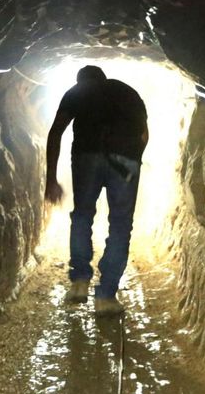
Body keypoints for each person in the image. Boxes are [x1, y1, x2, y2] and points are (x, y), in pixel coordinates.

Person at [45, 65, 148, 317]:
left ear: (82, 81)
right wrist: (133, 161)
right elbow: (144, 134)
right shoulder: (128, 92)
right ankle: (106, 296)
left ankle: (80, 281)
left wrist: (50, 179)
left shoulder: (77, 92)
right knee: (121, 224)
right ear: (104, 78)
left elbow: (55, 132)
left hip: (87, 157)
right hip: (125, 159)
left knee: (82, 215)